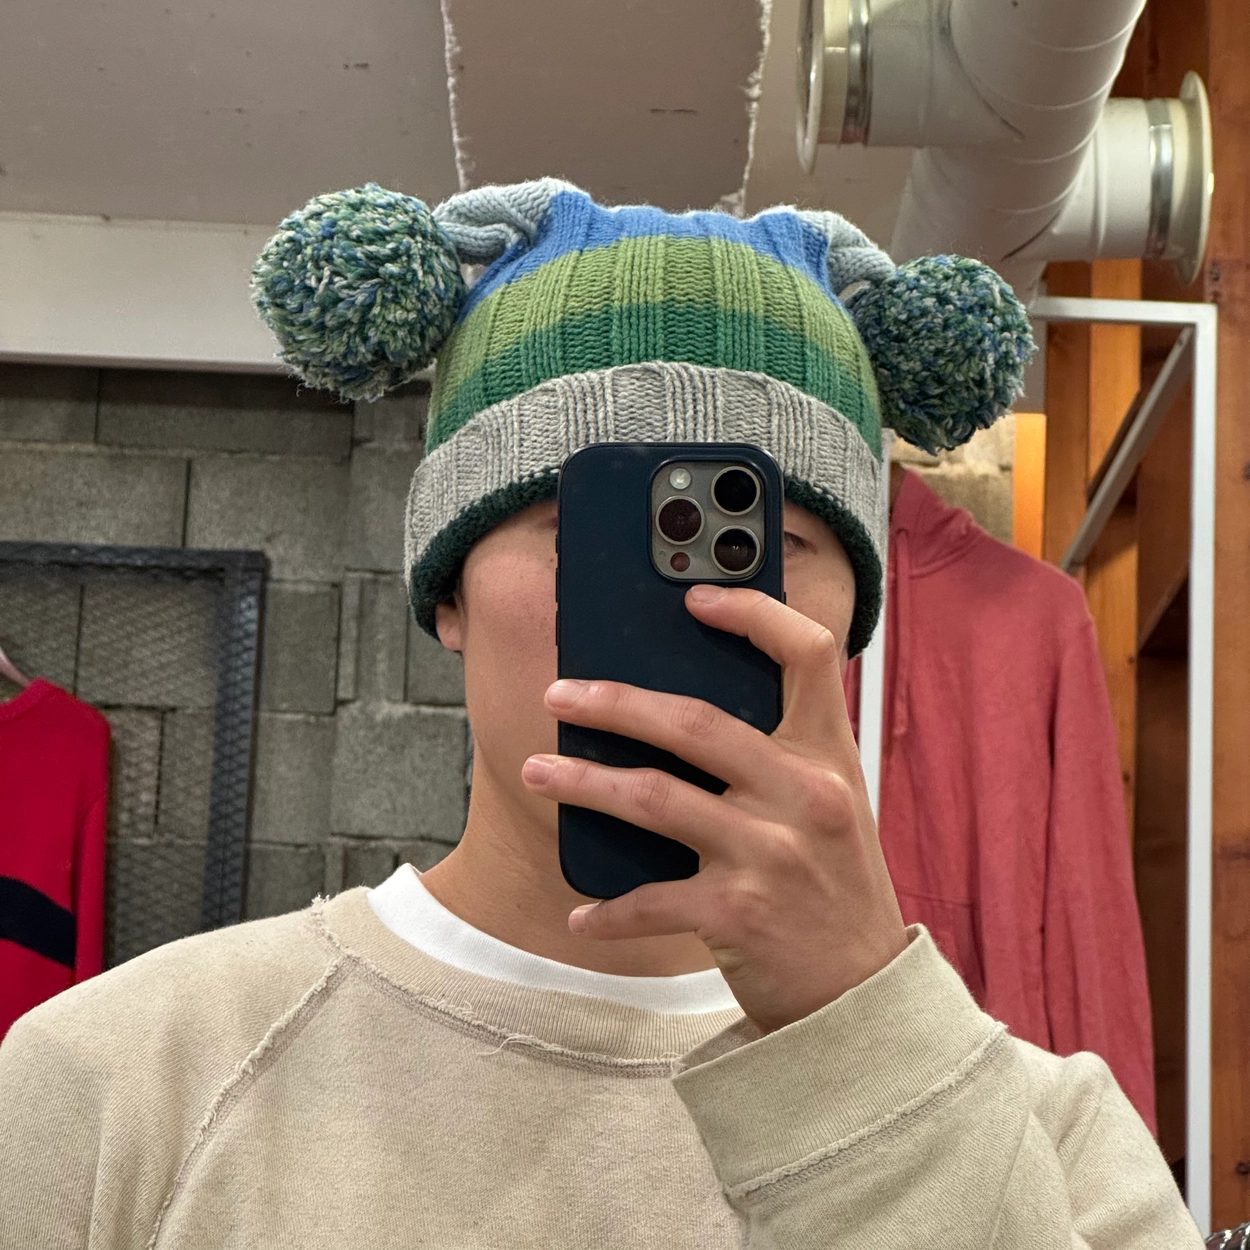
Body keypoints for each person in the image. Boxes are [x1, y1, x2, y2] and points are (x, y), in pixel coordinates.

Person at [0, 180, 1202, 1249]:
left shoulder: (1061, 1144)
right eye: (588, 533)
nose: (698, 601)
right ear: (447, 594)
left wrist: (861, 1047)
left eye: (773, 542)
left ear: (850, 621)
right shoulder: (117, 1079)